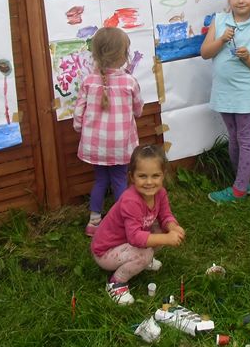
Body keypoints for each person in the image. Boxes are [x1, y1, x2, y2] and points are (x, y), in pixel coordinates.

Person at [200, 0, 250, 203]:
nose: (241, 0)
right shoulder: (219, 21)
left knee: (246, 139)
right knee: (234, 137)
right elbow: (205, 53)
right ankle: (243, 182)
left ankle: (238, 190)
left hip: (246, 94)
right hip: (223, 91)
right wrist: (221, 40)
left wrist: (248, 58)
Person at [91, 144, 186, 305]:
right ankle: (116, 283)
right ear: (132, 177)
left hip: (124, 243)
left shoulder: (160, 193)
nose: (149, 182)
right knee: (146, 252)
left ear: (163, 176)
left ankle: (140, 262)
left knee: (160, 229)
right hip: (106, 252)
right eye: (142, 176)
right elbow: (135, 238)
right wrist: (166, 239)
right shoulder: (131, 201)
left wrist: (172, 227)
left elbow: (166, 216)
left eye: (155, 176)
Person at [73, 27, 144, 237]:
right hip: (120, 145)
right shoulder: (130, 82)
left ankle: (94, 222)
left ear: (96, 54)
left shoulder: (88, 81)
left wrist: (80, 128)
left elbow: (78, 113)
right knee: (120, 181)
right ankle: (123, 222)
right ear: (123, 55)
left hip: (95, 145)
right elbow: (138, 109)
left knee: (101, 181)